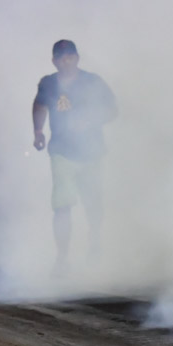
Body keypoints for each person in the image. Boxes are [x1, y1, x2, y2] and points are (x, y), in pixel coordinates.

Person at [32, 40, 117, 271]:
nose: (65, 61)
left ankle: (95, 245)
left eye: (69, 56)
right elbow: (39, 106)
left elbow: (112, 109)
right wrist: (38, 131)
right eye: (61, 57)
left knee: (93, 204)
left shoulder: (92, 82)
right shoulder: (48, 84)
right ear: (54, 61)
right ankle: (62, 259)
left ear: (77, 58)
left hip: (92, 153)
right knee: (62, 206)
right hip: (62, 153)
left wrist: (91, 120)